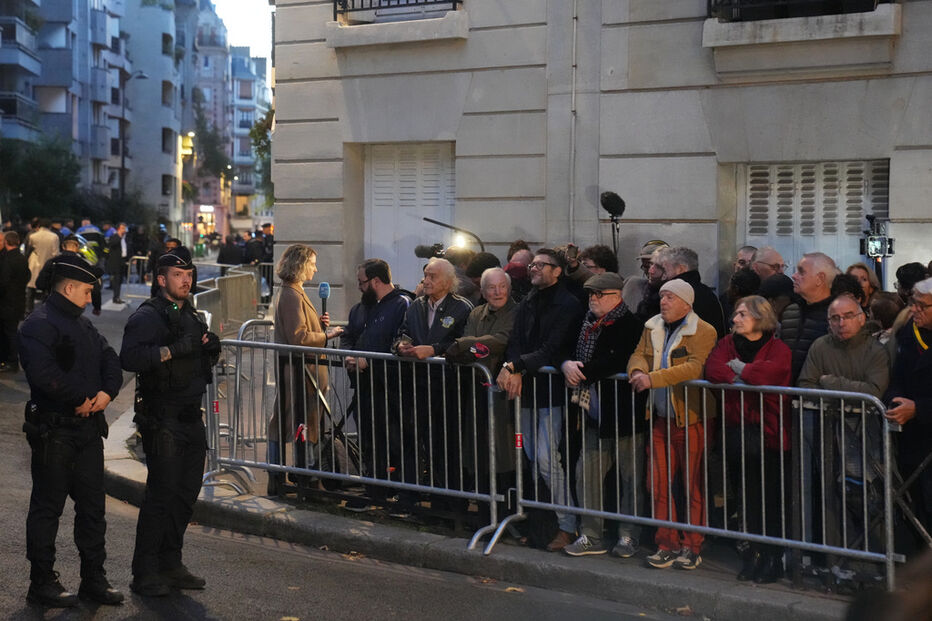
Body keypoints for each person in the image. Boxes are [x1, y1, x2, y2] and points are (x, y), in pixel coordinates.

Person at [18, 254, 123, 606]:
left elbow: (110, 359)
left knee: (93, 509)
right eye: (88, 291)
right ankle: (42, 582)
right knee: (48, 509)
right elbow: (44, 374)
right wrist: (82, 397)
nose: (91, 298)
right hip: (56, 432)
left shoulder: (80, 323)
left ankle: (94, 579)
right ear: (68, 288)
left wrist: (106, 394)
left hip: (87, 431)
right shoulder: (38, 324)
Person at [119, 247, 222, 597]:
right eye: (179, 275)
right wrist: (174, 349)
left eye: (189, 275)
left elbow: (198, 351)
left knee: (183, 496)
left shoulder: (189, 312)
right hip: (162, 418)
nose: (187, 280)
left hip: (191, 415)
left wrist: (210, 345)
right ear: (161, 279)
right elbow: (130, 357)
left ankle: (171, 563)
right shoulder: (149, 315)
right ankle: (145, 571)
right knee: (161, 497)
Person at [497, 249, 585, 551]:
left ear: (557, 271)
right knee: (533, 459)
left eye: (540, 265)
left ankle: (567, 524)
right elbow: (515, 342)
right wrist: (515, 367)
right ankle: (542, 523)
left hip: (552, 395)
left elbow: (553, 348)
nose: (533, 268)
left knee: (549, 461)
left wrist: (516, 366)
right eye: (532, 264)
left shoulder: (569, 304)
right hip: (528, 392)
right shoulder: (528, 301)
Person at [627, 279, 717, 570]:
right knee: (658, 484)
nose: (663, 301)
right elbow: (638, 354)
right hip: (660, 417)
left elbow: (694, 366)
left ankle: (692, 545)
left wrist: (652, 379)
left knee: (692, 485)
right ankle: (666, 543)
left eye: (670, 297)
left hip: (690, 417)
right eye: (662, 296)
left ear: (686, 303)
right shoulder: (652, 326)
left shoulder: (703, 330)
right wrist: (638, 369)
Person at [558, 272, 647, 558]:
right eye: (590, 295)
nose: (593, 300)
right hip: (592, 413)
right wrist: (565, 364)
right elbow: (564, 348)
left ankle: (629, 535)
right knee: (587, 476)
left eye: (599, 295)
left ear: (616, 296)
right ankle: (591, 534)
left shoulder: (630, 325)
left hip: (624, 414)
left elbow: (618, 359)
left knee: (630, 480)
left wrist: (578, 370)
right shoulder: (585, 323)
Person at [704, 296, 792, 583]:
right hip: (737, 429)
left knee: (771, 499)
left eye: (742, 314)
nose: (735, 319)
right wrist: (741, 377)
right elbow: (714, 369)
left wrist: (742, 370)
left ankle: (772, 557)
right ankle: (753, 553)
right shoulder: (727, 344)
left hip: (771, 434)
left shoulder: (777, 348)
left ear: (760, 317)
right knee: (747, 497)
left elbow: (770, 373)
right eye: (736, 314)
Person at [798, 293, 890, 551]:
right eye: (835, 318)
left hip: (866, 436)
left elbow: (873, 392)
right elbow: (805, 385)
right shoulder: (820, 346)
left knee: (867, 497)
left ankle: (875, 556)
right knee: (832, 497)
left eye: (848, 316)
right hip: (828, 434)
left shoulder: (876, 350)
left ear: (862, 319)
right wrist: (849, 393)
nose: (841, 323)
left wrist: (829, 382)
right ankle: (839, 556)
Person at [267, 244, 344, 496]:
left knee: (298, 422)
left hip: (305, 370)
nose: (315, 268)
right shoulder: (290, 293)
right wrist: (326, 334)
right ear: (300, 265)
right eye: (312, 263)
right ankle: (301, 478)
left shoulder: (294, 291)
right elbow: (298, 337)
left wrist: (319, 327)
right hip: (300, 372)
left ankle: (301, 477)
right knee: (298, 422)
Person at [395, 257, 472, 506]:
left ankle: (448, 503)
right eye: (425, 275)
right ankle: (411, 497)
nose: (426, 281)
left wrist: (434, 350)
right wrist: (400, 346)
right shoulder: (416, 306)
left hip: (447, 388)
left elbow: (465, 343)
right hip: (416, 386)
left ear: (448, 282)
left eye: (433, 276)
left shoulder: (462, 308)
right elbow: (403, 333)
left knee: (445, 446)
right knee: (413, 440)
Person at [444, 267, 517, 516]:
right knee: (479, 452)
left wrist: (467, 345)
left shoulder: (515, 312)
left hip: (503, 394)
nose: (497, 292)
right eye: (491, 288)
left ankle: (506, 513)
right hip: (476, 390)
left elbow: (501, 340)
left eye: (502, 286)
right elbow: (475, 349)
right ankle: (485, 511)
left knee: (504, 453)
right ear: (483, 291)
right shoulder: (476, 312)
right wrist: (474, 347)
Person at [340, 258, 411, 510]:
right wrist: (349, 355)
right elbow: (348, 336)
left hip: (391, 388)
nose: (359, 287)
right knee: (369, 441)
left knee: (395, 441)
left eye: (361, 282)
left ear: (376, 281)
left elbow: (400, 345)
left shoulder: (402, 305)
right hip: (364, 387)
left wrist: (368, 363)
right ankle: (374, 492)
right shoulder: (360, 309)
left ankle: (402, 495)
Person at [885, 277, 932, 535]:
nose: (914, 309)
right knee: (916, 509)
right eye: (913, 303)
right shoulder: (907, 334)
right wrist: (896, 401)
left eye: (922, 305)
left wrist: (919, 408)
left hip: (924, 419)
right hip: (912, 437)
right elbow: (897, 376)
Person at [652, 246, 726, 338]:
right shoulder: (708, 293)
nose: (664, 276)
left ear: (680, 269)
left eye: (666, 270)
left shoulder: (676, 295)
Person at [0, 231, 30, 371]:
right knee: (11, 331)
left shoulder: (8, 260)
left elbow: (3, 282)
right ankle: (11, 360)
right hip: (18, 300)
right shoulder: (22, 258)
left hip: (7, 303)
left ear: (6, 242)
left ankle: (12, 362)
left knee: (9, 333)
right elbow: (27, 276)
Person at [25, 218, 60, 313]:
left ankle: (28, 310)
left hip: (34, 264)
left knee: (31, 288)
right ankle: (46, 310)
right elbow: (55, 254)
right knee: (47, 289)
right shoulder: (54, 237)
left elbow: (28, 250)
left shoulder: (33, 236)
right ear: (50, 226)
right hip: (48, 265)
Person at [106, 223, 129, 304]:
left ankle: (117, 296)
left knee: (120, 280)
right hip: (116, 262)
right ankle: (116, 297)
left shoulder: (125, 237)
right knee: (117, 279)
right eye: (123, 228)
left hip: (122, 261)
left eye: (125, 228)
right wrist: (119, 236)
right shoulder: (115, 236)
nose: (124, 230)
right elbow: (112, 244)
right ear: (118, 229)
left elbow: (127, 247)